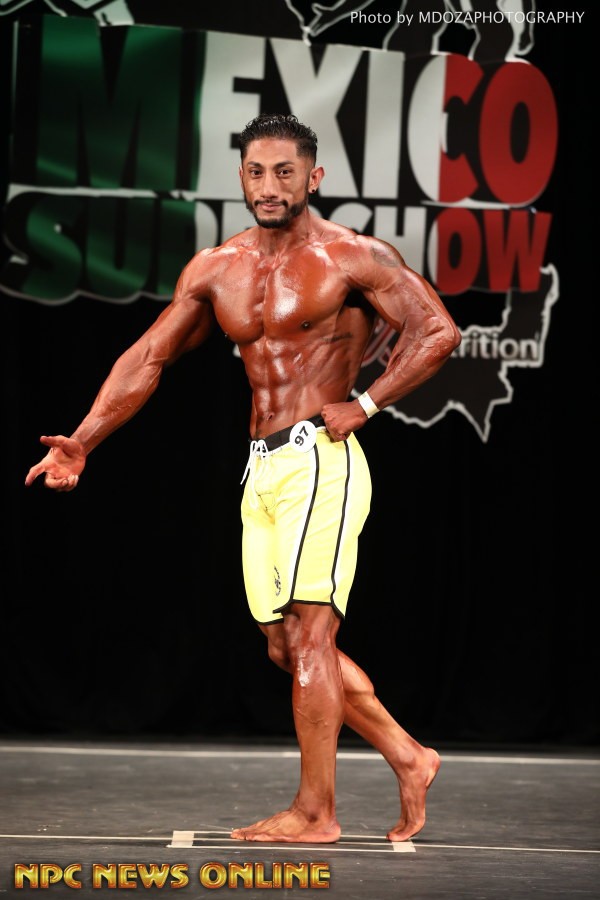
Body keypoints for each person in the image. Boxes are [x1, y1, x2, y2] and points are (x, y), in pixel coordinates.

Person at [25, 113, 461, 844]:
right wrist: (84, 442)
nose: (269, 185)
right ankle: (409, 755)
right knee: (284, 645)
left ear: (313, 178)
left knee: (312, 635)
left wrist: (365, 403)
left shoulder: (352, 257)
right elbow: (148, 357)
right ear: (241, 177)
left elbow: (437, 330)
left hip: (319, 458)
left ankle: (316, 814)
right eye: (256, 172)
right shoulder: (216, 267)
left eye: (285, 172)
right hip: (261, 467)